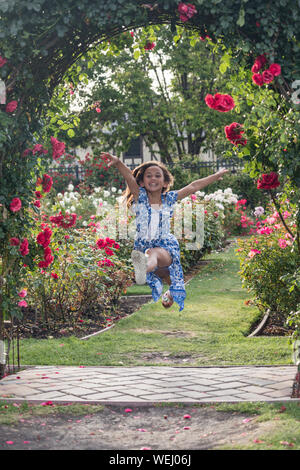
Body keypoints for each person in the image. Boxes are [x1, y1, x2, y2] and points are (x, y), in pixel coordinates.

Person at [101, 152, 228, 311]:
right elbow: (129, 177)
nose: (153, 178)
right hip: (142, 245)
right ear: (141, 181)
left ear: (165, 182)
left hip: (165, 245)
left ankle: (143, 269)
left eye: (157, 175)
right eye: (148, 176)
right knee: (165, 274)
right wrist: (118, 162)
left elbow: (193, 186)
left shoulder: (169, 198)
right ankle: (168, 289)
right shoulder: (140, 197)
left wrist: (215, 176)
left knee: (153, 253)